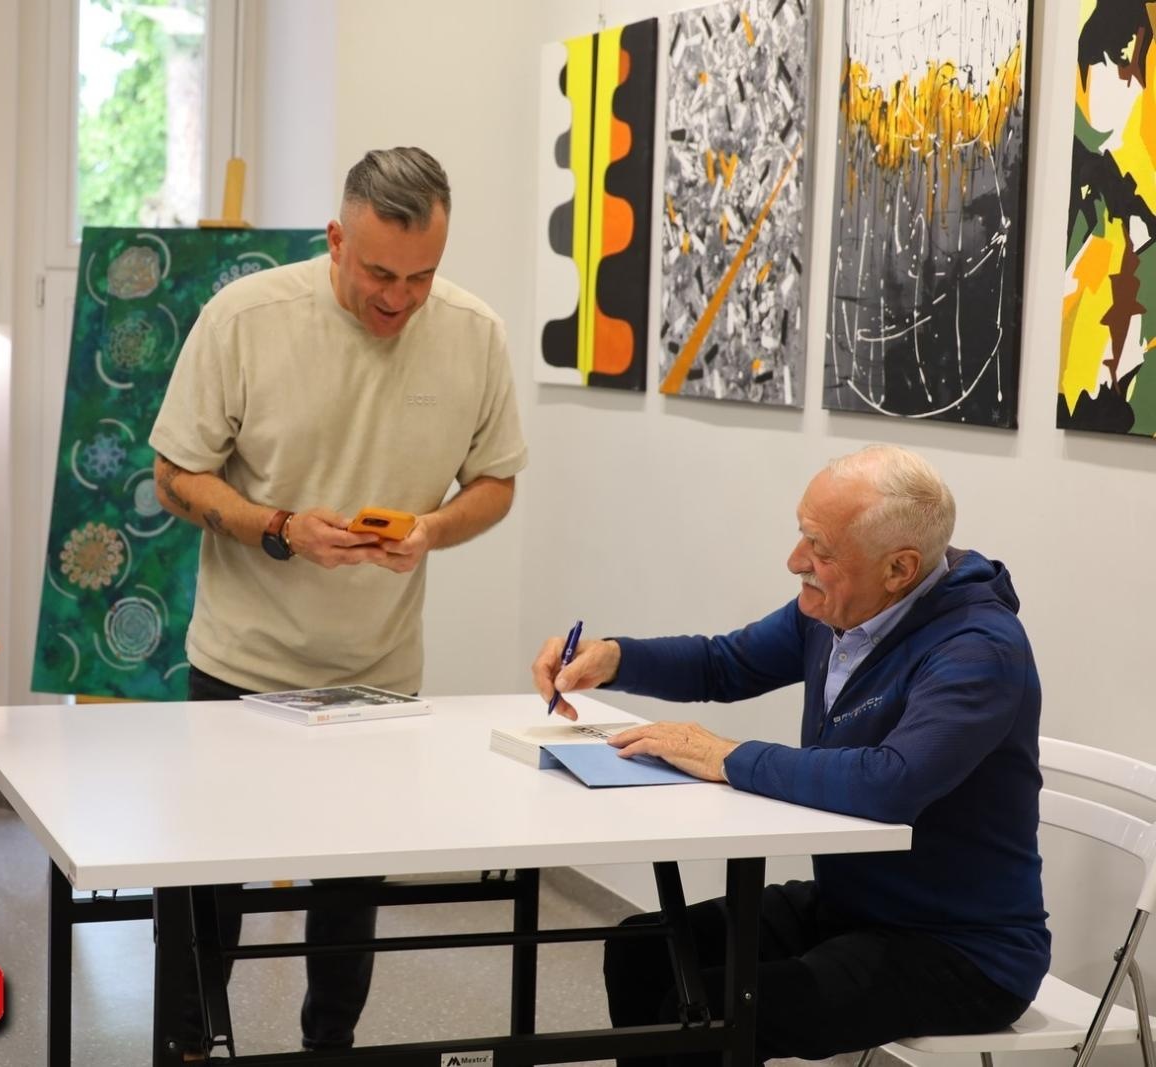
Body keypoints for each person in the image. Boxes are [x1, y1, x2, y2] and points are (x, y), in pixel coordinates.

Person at [149, 146, 527, 1055]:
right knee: (205, 901)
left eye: (422, 277)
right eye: (379, 274)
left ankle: (332, 1048)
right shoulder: (245, 317)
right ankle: (189, 1047)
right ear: (334, 241)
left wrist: (432, 529)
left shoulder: (475, 332)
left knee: (350, 903)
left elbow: (496, 482)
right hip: (242, 665)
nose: (398, 299)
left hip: (378, 675)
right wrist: (279, 527)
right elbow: (173, 474)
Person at [532, 444, 1048, 1065]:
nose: (794, 560)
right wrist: (614, 657)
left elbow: (892, 782)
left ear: (899, 568)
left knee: (709, 1014)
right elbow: (726, 662)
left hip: (959, 947)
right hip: (852, 905)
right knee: (645, 950)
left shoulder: (979, 649)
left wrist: (725, 755)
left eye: (819, 549)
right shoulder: (839, 608)